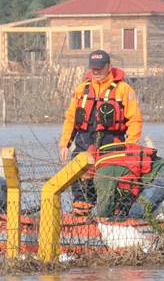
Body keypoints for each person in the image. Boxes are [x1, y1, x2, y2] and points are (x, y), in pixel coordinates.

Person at [58, 50, 143, 216]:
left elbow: (135, 121)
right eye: (93, 68)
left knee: (109, 183)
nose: (96, 72)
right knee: (80, 183)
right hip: (84, 142)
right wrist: (64, 144)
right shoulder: (82, 89)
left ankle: (112, 215)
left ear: (109, 66)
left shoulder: (123, 90)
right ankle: (81, 216)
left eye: (100, 68)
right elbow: (70, 119)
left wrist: (130, 146)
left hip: (112, 144)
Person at [91, 141, 164, 220]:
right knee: (127, 211)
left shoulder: (102, 173)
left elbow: (104, 207)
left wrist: (91, 215)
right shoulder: (104, 158)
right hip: (155, 173)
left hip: (160, 177)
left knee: (136, 213)